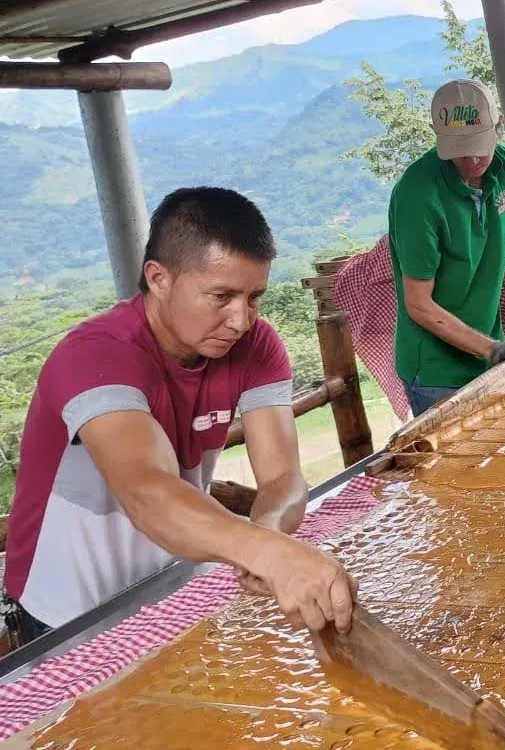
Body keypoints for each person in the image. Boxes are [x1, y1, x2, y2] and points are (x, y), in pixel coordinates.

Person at [2, 188, 357, 650]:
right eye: (221, 296)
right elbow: (147, 490)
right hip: (69, 607)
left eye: (254, 297)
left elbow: (283, 477)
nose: (241, 320)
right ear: (158, 278)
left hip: (175, 581)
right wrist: (265, 552)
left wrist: (267, 534)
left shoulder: (257, 345)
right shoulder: (94, 355)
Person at [388, 79, 505, 417]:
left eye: (481, 146)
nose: (474, 159)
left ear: (498, 125)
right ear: (437, 136)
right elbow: (419, 305)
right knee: (453, 451)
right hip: (435, 368)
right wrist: (492, 349)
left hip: (487, 353)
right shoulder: (418, 195)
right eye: (461, 152)